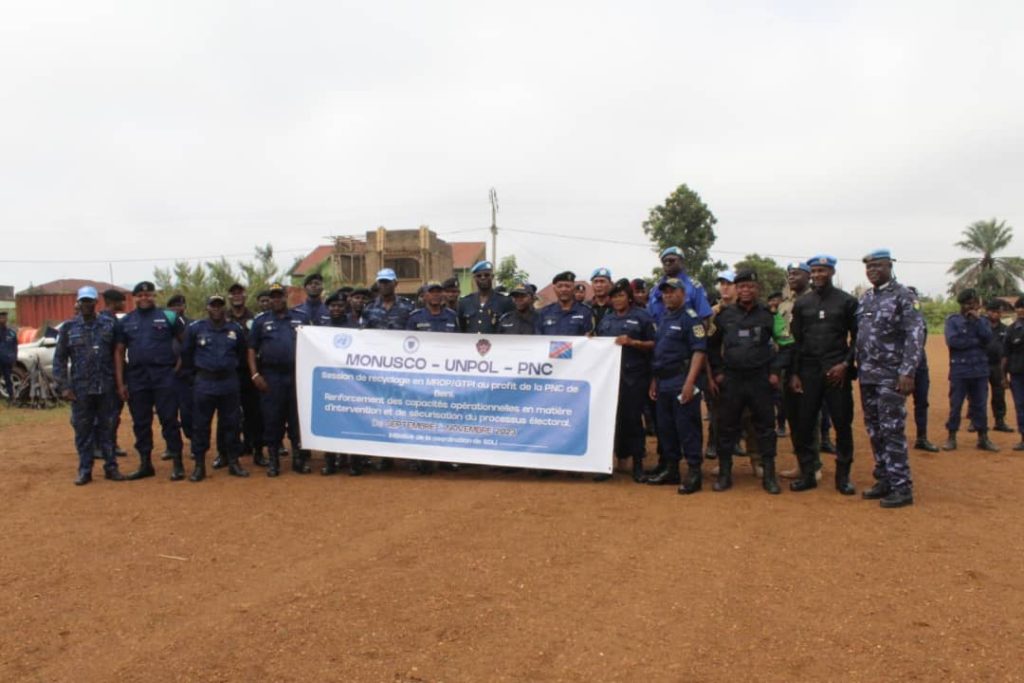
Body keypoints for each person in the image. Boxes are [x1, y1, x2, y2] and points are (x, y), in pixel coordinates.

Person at [707, 269, 788, 494]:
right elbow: (711, 345)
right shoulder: (724, 315)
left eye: (750, 286)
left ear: (757, 289)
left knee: (766, 427)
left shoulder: (770, 314)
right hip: (732, 379)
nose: (745, 290)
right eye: (741, 286)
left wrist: (775, 371)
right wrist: (719, 371)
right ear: (736, 289)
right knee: (726, 426)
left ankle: (769, 475)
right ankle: (725, 474)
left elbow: (786, 344)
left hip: (760, 379)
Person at [856, 250, 925, 509]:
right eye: (869, 267)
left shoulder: (904, 296)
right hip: (868, 376)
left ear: (890, 266)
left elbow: (915, 334)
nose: (872, 270)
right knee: (874, 430)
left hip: (891, 376)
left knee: (892, 430)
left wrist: (908, 371)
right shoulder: (866, 299)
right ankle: (883, 478)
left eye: (877, 266)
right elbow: (861, 336)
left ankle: (901, 486)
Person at [788, 255, 859, 495]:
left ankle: (843, 477)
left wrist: (846, 364)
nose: (818, 275)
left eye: (823, 270)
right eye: (815, 271)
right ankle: (808, 474)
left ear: (832, 272)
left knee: (842, 423)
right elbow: (796, 342)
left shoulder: (847, 302)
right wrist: (795, 374)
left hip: (835, 371)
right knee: (805, 424)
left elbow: (857, 339)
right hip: (808, 371)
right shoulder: (803, 304)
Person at [53, 286, 125, 485]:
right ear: (78, 302)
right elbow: (59, 360)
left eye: (89, 301)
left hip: (106, 387)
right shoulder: (68, 328)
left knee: (108, 428)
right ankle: (85, 470)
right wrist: (64, 387)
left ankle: (111, 467)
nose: (86, 305)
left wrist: (120, 384)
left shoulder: (109, 325)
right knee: (83, 431)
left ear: (96, 303)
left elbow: (118, 355)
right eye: (83, 301)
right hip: (81, 390)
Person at [114, 281, 186, 481]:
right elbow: (119, 352)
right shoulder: (126, 321)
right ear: (134, 298)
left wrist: (177, 369)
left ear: (154, 296)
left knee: (169, 419)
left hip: (164, 376)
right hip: (138, 378)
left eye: (149, 295)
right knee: (141, 422)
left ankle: (178, 463)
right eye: (140, 295)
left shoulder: (169, 317)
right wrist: (121, 383)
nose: (144, 298)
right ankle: (145, 464)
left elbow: (185, 343)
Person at [645, 278, 707, 493]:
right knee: (666, 429)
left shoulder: (691, 318)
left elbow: (699, 352)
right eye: (665, 292)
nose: (668, 295)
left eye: (672, 291)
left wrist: (690, 383)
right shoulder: (663, 317)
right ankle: (672, 470)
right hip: (663, 382)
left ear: (683, 293)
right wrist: (655, 379)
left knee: (687, 428)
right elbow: (659, 352)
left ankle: (694, 472)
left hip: (682, 381)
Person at [181, 295, 249, 481]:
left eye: (220, 305)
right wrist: (194, 378)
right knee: (201, 425)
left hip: (229, 383)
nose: (217, 309)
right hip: (205, 383)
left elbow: (242, 355)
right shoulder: (196, 329)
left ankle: (234, 462)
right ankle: (199, 466)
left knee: (232, 424)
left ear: (224, 308)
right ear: (207, 308)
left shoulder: (234, 329)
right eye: (213, 305)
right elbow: (186, 355)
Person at [248, 283, 312, 477]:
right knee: (272, 419)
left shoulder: (301, 318)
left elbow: (313, 344)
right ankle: (274, 461)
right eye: (273, 297)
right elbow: (251, 348)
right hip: (272, 376)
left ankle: (298, 460)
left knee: (296, 419)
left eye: (280, 296)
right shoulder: (261, 321)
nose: (277, 300)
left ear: (286, 297)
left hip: (296, 375)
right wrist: (255, 374)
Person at [595, 279, 655, 482]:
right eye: (614, 296)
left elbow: (654, 344)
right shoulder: (606, 320)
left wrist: (633, 342)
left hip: (634, 378)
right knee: (608, 421)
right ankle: (605, 464)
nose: (617, 299)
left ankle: (638, 465)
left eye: (621, 295)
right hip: (609, 380)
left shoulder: (642, 317)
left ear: (629, 297)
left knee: (633, 421)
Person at [777, 262, 823, 478]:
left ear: (808, 276)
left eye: (796, 274)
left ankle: (813, 465)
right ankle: (801, 462)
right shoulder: (784, 305)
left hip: (807, 366)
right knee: (793, 416)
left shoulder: (815, 300)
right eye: (789, 274)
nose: (792, 277)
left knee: (809, 416)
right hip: (787, 365)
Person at [942, 289, 998, 451]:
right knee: (956, 404)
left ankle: (983, 438)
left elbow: (988, 338)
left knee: (980, 405)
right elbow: (953, 342)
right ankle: (951, 437)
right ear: (962, 304)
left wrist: (978, 321)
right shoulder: (953, 321)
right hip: (960, 370)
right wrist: (975, 340)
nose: (972, 307)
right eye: (969, 304)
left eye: (974, 304)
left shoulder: (983, 321)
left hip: (980, 369)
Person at [226, 282, 265, 467]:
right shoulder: (222, 317)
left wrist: (257, 373)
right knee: (229, 415)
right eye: (233, 293)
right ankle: (227, 453)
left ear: (245, 295)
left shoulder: (255, 319)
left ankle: (258, 451)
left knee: (254, 414)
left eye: (239, 293)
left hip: (250, 373)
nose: (236, 296)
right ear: (229, 297)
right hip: (229, 374)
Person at [905, 286, 940, 452]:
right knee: (896, 404)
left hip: (919, 366)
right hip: (901, 368)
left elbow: (920, 343)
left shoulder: (920, 320)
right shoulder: (896, 320)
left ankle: (922, 438)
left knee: (922, 402)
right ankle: (895, 438)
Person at [647, 246, 712, 325]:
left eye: (671, 260)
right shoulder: (655, 289)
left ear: (681, 262)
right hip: (659, 335)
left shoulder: (694, 287)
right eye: (664, 261)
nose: (667, 263)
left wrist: (698, 337)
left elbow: (704, 319)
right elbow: (648, 319)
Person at [100, 289, 128, 456]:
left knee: (110, 412)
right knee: (110, 412)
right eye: (122, 301)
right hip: (110, 373)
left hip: (110, 373)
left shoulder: (105, 319)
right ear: (114, 302)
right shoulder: (110, 322)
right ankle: (107, 444)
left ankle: (108, 443)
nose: (124, 304)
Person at [165, 294, 193, 460]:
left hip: (185, 377)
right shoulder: (163, 325)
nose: (177, 308)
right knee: (168, 415)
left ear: (184, 306)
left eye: (180, 305)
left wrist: (178, 367)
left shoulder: (191, 325)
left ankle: (193, 444)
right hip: (166, 377)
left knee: (188, 413)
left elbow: (188, 349)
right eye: (173, 305)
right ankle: (171, 447)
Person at [457, 260, 513, 333]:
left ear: (492, 277)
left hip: (496, 343)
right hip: (471, 343)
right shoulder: (464, 302)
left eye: (486, 275)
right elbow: (462, 329)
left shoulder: (505, 301)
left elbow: (509, 327)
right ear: (474, 278)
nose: (483, 278)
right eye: (479, 276)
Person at [984, 300, 1013, 432]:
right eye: (993, 311)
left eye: (999, 312)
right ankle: (976, 421)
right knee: (979, 395)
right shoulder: (981, 327)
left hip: (997, 366)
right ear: (987, 312)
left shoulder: (1005, 330)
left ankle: (999, 421)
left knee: (999, 394)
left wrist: (1005, 371)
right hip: (981, 365)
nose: (996, 314)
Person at [535, 272, 594, 336]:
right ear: (554, 289)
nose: (564, 289)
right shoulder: (544, 312)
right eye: (560, 286)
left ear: (573, 289)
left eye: (567, 286)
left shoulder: (586, 312)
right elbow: (538, 339)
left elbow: (589, 337)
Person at [1002, 297, 1024, 451]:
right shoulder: (1011, 330)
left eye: (1022, 307)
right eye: (1018, 307)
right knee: (1020, 406)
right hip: (1017, 374)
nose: (1020, 310)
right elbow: (1005, 355)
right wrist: (1003, 376)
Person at [0, 310, 17, 404]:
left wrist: (14, 358)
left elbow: (15, 346)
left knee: (8, 379)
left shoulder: (11, 332)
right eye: (1, 317)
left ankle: (11, 398)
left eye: (4, 317)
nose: (3, 319)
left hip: (7, 360)